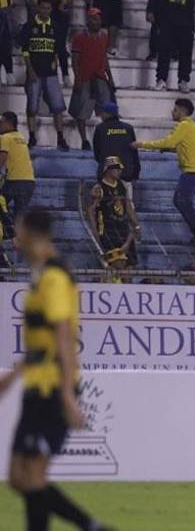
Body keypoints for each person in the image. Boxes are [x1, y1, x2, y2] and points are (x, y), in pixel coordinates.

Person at [0, 209, 115, 531]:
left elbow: (64, 335)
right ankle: (92, 526)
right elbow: (45, 340)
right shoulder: (41, 276)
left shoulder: (54, 278)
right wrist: (14, 376)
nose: (15, 239)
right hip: (37, 384)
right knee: (18, 477)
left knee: (32, 475)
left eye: (18, 233)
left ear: (31, 235)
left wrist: (67, 394)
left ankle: (91, 527)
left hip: (51, 388)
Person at [134, 99, 195, 253]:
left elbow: (169, 142)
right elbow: (183, 145)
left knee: (182, 203)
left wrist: (142, 145)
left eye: (175, 110)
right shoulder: (191, 125)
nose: (172, 112)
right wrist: (169, 149)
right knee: (184, 204)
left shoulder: (183, 125)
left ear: (183, 111)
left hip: (193, 171)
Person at [19, 0, 68, 150]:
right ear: (38, 8)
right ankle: (32, 137)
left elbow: (60, 51)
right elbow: (25, 50)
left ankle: (60, 138)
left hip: (51, 73)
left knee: (58, 107)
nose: (45, 11)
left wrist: (64, 72)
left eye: (48, 8)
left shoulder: (56, 27)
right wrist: (31, 70)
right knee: (32, 107)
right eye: (43, 8)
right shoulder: (29, 26)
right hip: (34, 73)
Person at [86, 155, 139, 269]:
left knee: (129, 267)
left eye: (119, 168)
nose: (119, 171)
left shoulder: (122, 185)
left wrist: (136, 225)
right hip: (108, 232)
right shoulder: (99, 188)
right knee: (117, 265)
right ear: (107, 170)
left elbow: (128, 206)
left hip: (124, 231)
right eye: (115, 168)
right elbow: (91, 212)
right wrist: (95, 234)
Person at [91, 102, 139, 184]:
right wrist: (135, 174)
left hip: (106, 174)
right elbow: (134, 152)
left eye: (102, 113)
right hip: (126, 174)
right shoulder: (128, 128)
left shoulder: (100, 128)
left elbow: (97, 153)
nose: (101, 116)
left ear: (106, 114)